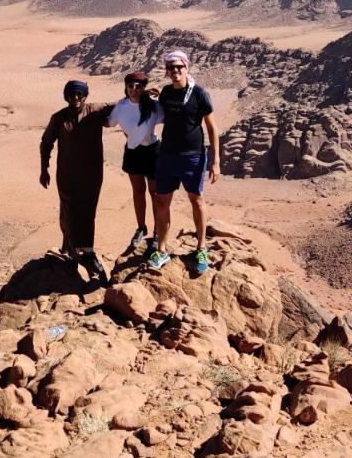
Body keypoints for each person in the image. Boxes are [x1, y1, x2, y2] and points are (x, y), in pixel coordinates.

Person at [148, 50, 218, 275]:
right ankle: (162, 249)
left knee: (196, 201)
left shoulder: (199, 94)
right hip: (167, 155)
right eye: (171, 68)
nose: (175, 71)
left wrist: (215, 161)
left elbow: (212, 128)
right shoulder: (166, 93)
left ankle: (201, 248)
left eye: (179, 67)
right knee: (161, 203)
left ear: (187, 68)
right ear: (167, 71)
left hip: (193, 157)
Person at [39, 80, 113, 286]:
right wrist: (43, 168)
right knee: (68, 211)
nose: (76, 99)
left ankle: (86, 253)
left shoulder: (96, 111)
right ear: (66, 97)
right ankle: (72, 249)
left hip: (91, 176)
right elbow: (46, 143)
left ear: (85, 96)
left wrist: (142, 96)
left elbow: (124, 105)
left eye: (80, 95)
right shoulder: (59, 118)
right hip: (67, 175)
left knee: (88, 213)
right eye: (72, 95)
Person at [105, 70, 164, 255]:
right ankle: (141, 228)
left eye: (138, 86)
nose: (134, 90)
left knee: (155, 194)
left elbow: (172, 112)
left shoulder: (154, 106)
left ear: (144, 88)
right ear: (126, 87)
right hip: (133, 152)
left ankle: (156, 233)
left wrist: (162, 95)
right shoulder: (121, 106)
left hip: (153, 151)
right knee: (138, 192)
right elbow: (109, 122)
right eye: (130, 86)